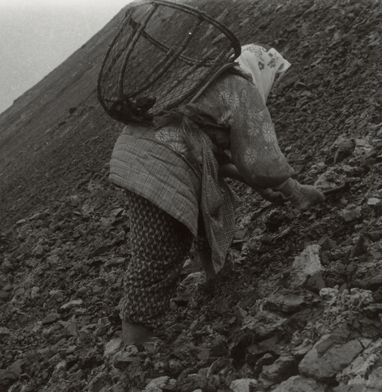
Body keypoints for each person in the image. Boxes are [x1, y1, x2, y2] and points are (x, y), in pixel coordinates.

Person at [108, 43, 325, 346]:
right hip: (161, 162)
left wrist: (260, 187)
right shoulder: (240, 87)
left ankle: (217, 279)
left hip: (142, 153)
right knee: (158, 254)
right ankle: (133, 351)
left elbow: (214, 157)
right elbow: (260, 159)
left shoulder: (207, 81)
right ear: (262, 70)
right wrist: (295, 191)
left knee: (205, 207)